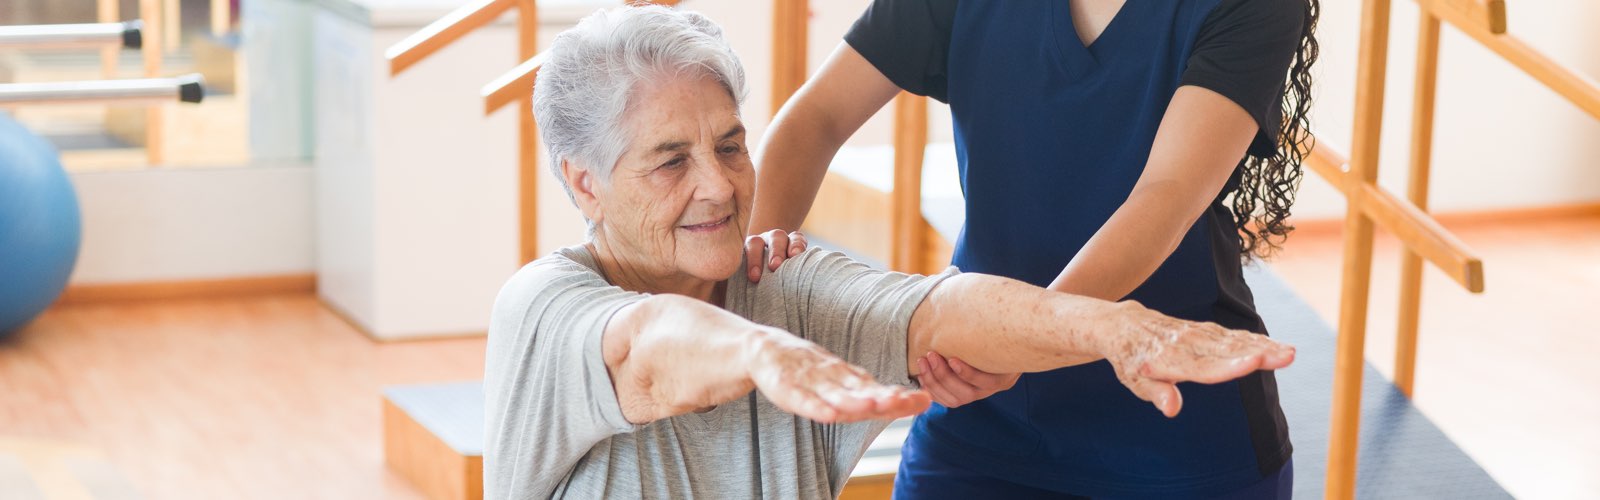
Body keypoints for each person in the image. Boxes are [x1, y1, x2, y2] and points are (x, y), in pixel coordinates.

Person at [484, 5, 1296, 499]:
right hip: (988, 419)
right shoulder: (546, 306)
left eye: (730, 148)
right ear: (584, 184)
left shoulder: (793, 289)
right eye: (669, 160)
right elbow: (655, 343)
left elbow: (945, 309)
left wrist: (1115, 332)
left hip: (1168, 423)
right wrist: (751, 323)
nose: (719, 187)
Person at [747, 0, 1319, 497]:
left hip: (1174, 425)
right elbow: (814, 119)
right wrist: (743, 307)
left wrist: (1019, 342)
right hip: (979, 404)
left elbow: (1165, 197)